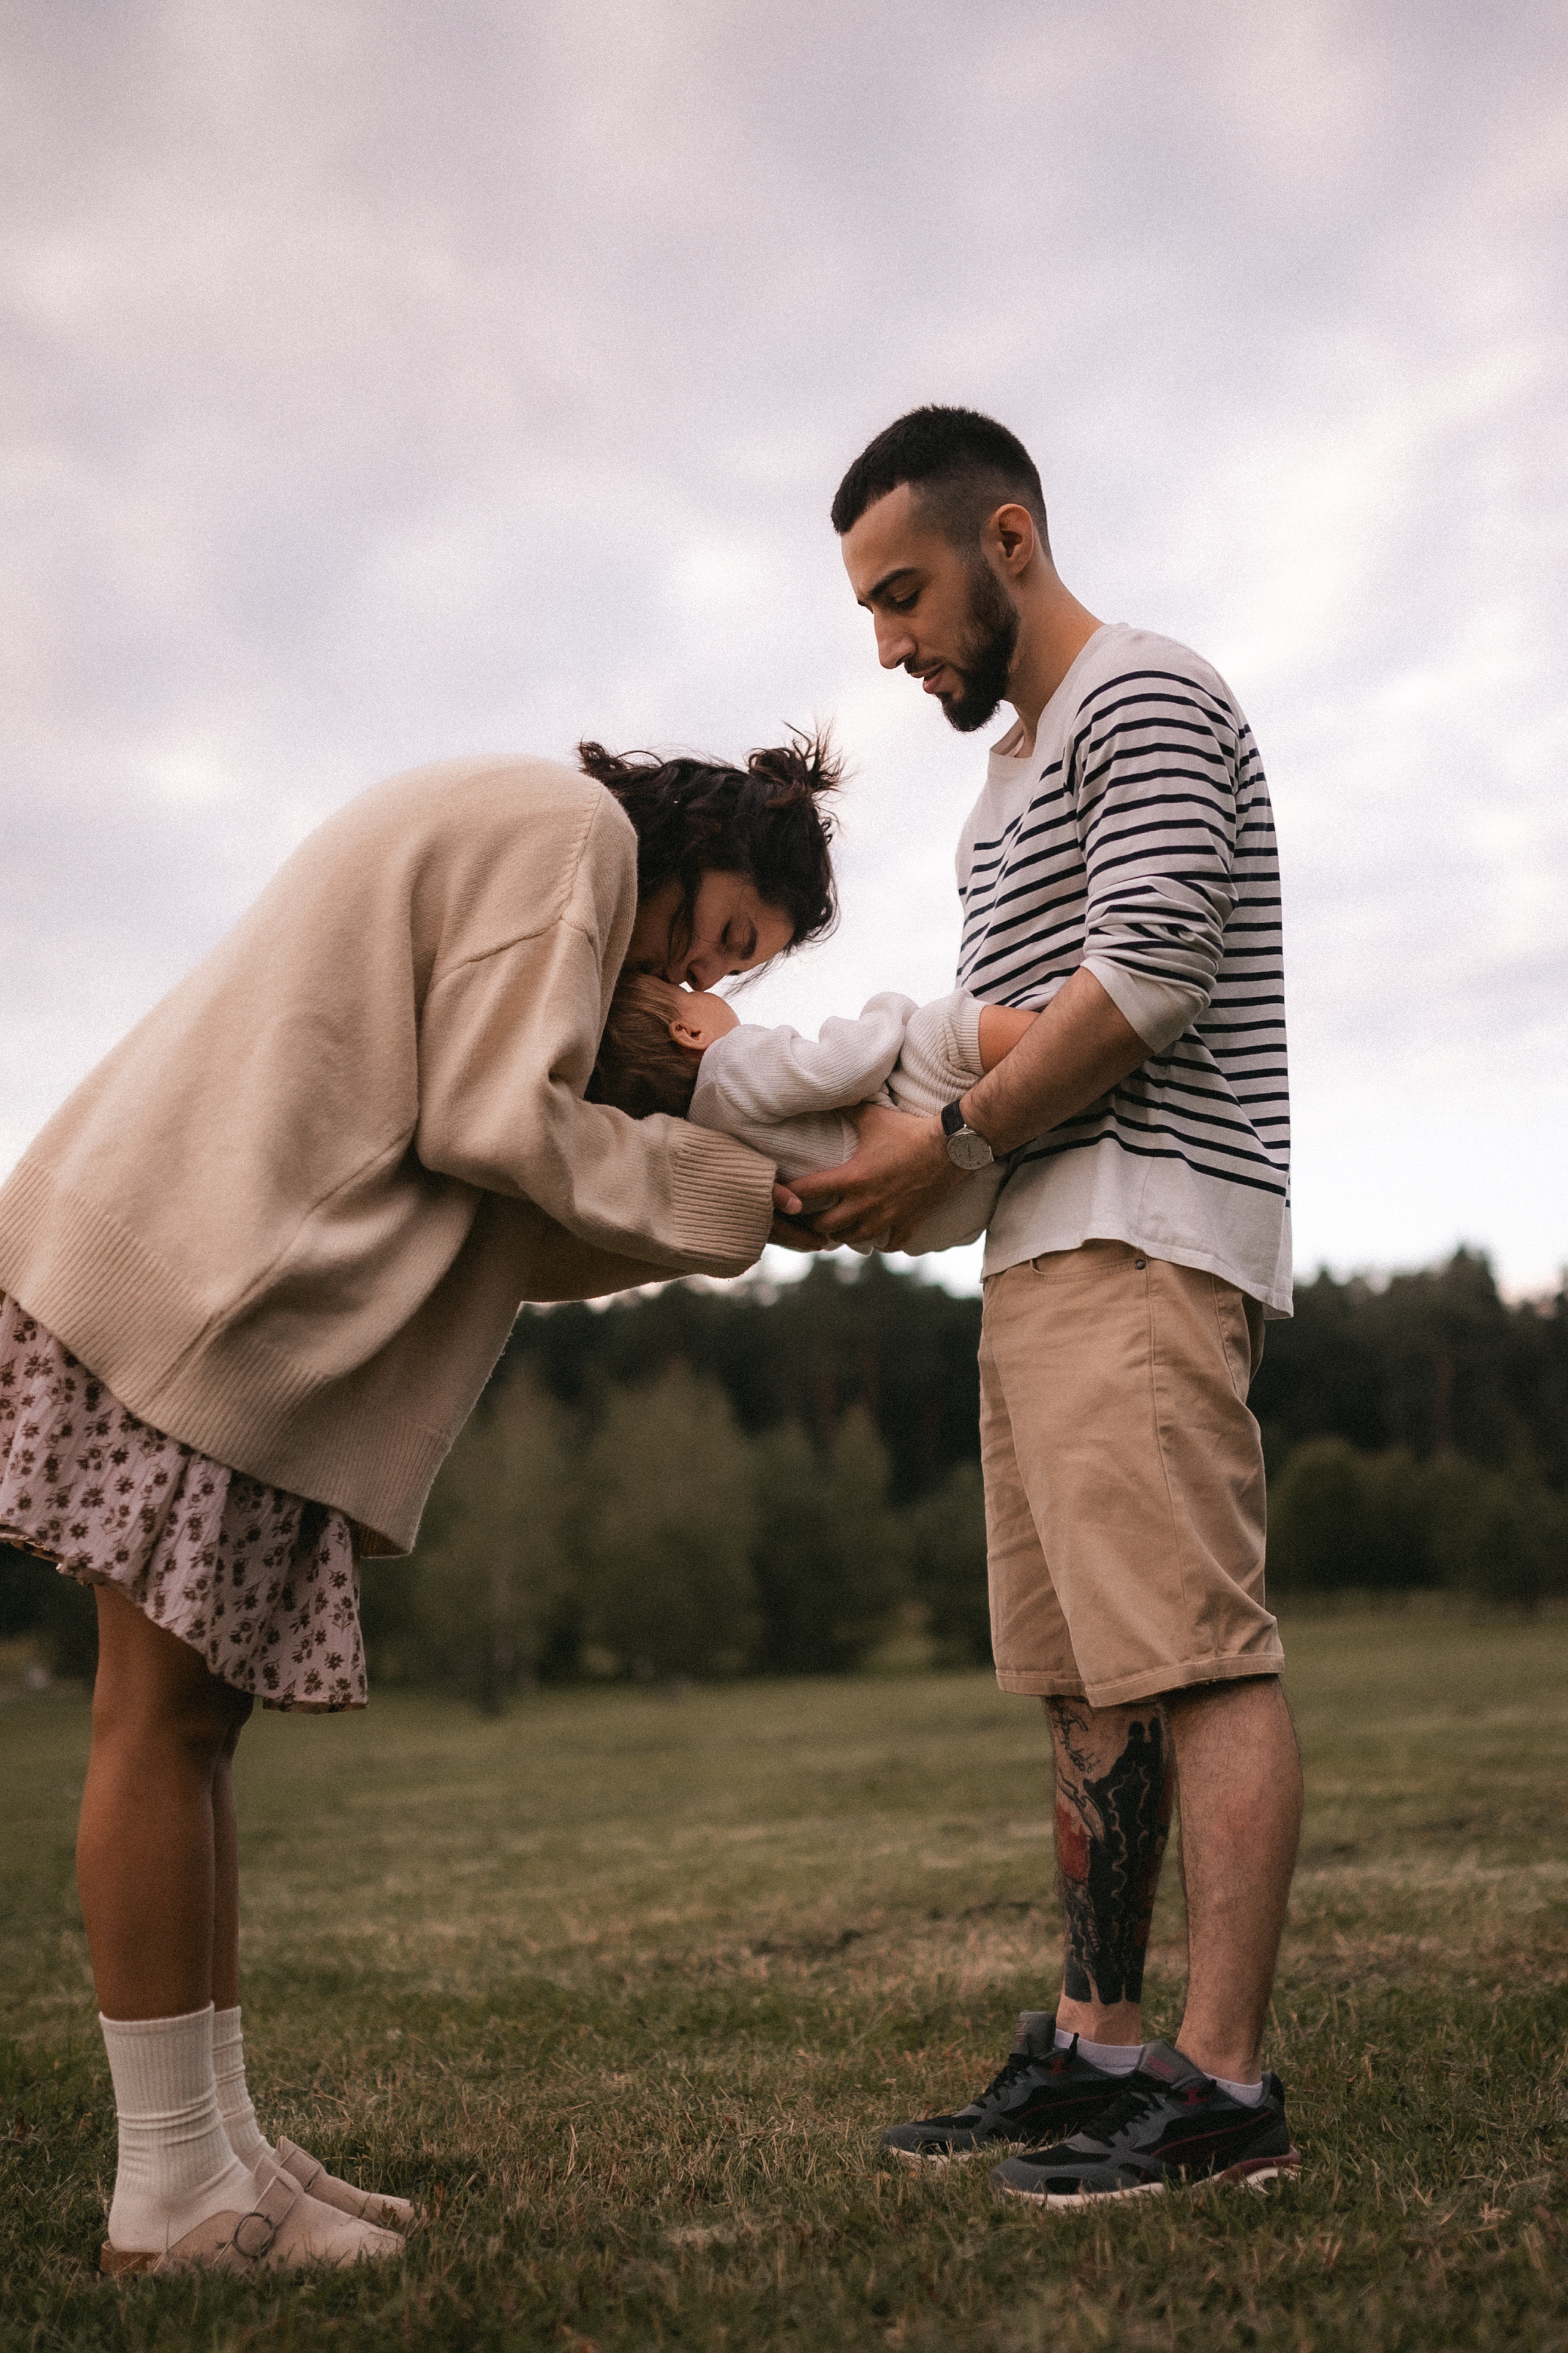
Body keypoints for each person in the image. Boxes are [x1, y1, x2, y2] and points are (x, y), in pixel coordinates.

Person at [0, 733, 838, 2274]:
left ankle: (219, 2145)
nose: (699, 973)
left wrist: (732, 1210)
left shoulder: (523, 839)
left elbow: (499, 1215)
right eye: (724, 932)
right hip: (207, 1279)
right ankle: (167, 2190)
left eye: (741, 969)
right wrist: (724, 1186)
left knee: (197, 1727)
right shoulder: (573, 836)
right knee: (154, 1722)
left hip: (209, 1263)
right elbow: (494, 1127)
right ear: (701, 840)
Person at [791, 406, 1303, 2207]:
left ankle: (1223, 2082)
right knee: (1086, 1681)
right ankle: (1096, 2045)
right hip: (1038, 1253)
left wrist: (944, 1135)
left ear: (1007, 539)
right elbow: (979, 1045)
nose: (887, 642)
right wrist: (874, 1182)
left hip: (1147, 1234)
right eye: (866, 607)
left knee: (1194, 1650)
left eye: (904, 591)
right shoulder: (1000, 786)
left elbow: (1147, 966)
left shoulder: (1144, 690)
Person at [587, 970, 1039, 1252]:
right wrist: (887, 1010)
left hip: (928, 1224)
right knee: (937, 1028)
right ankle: (1060, 1041)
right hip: (922, 1125)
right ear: (688, 1031)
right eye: (681, 989)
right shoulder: (730, 1065)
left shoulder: (705, 1139)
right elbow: (850, 1068)